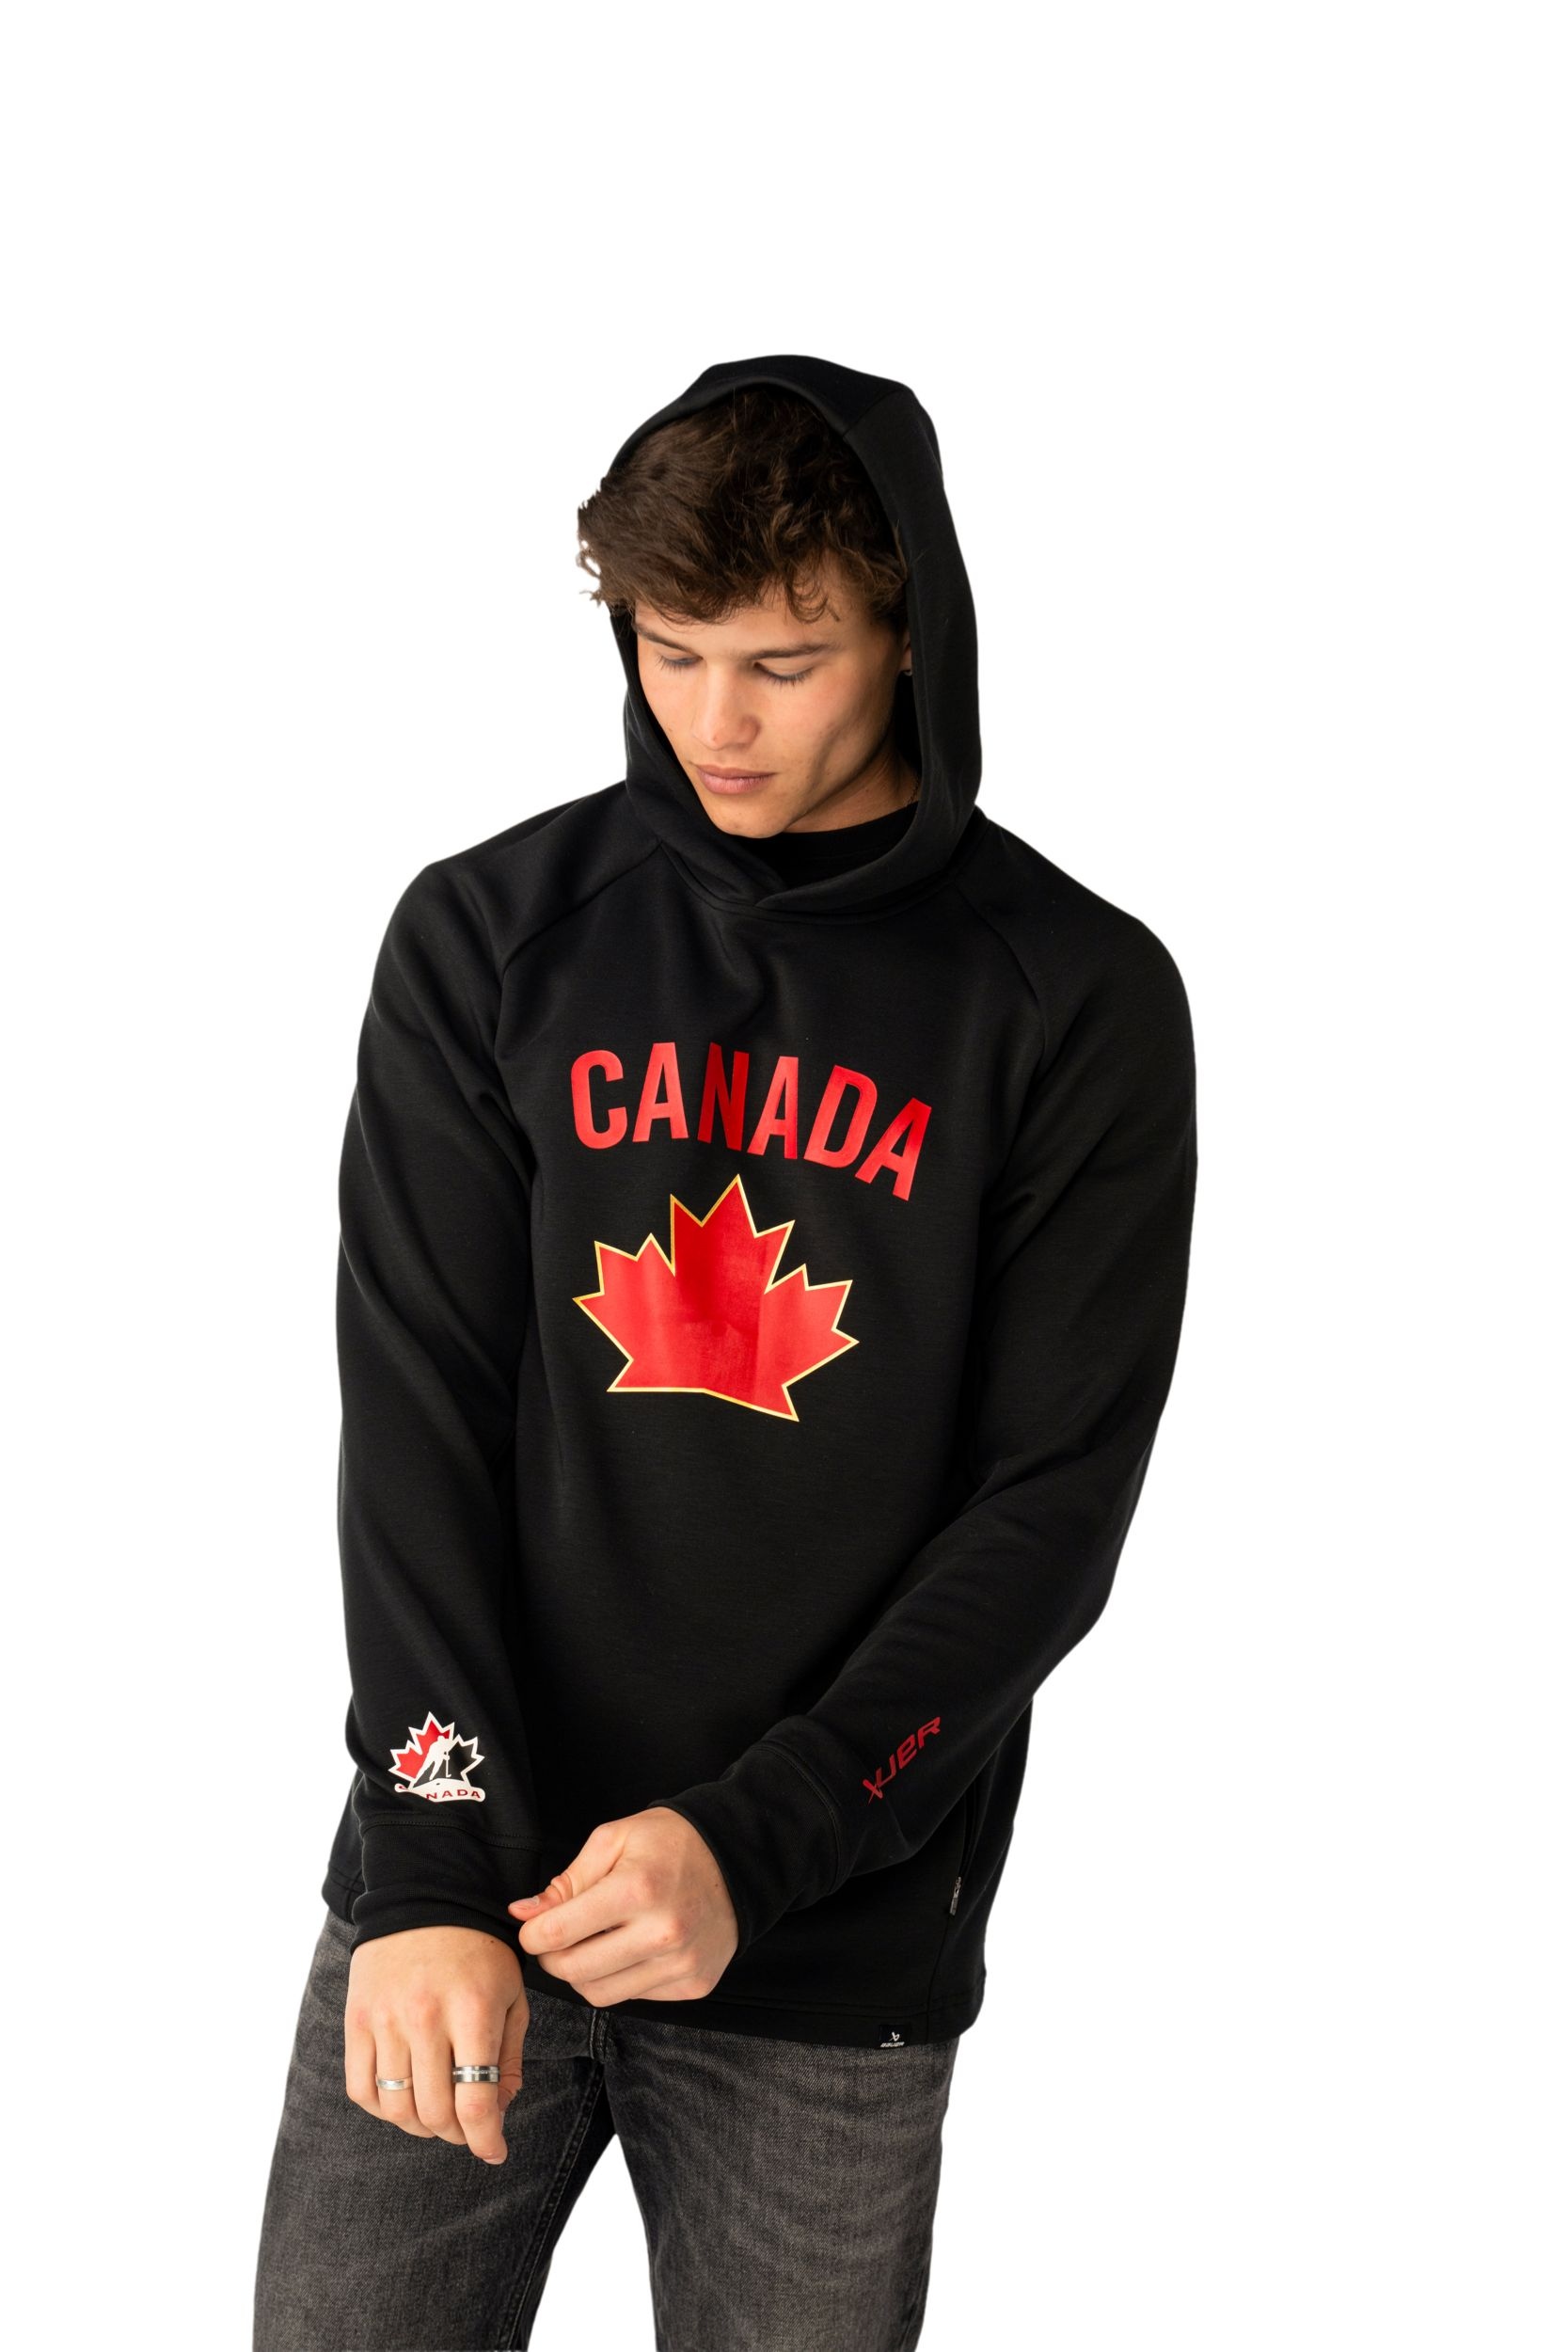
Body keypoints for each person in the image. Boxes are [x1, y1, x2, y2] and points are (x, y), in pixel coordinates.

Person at [253, 353, 1198, 2352]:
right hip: (465, 1896)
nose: (718, 722)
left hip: (828, 1944)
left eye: (783, 659)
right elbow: (417, 1414)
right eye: (670, 652)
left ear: (912, 634)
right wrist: (428, 1860)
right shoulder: (491, 934)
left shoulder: (1074, 996)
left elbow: (1048, 1512)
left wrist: (757, 1843)